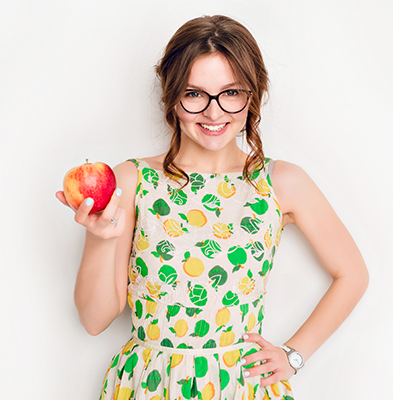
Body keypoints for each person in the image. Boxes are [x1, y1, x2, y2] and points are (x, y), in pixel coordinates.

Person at [56, 15, 369, 400]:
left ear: (252, 95)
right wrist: (101, 237)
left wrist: (294, 355)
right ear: (172, 96)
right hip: (150, 385)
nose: (214, 112)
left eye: (231, 93)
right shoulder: (131, 180)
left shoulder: (281, 182)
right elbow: (93, 320)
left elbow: (353, 274)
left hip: (240, 385)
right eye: (194, 94)